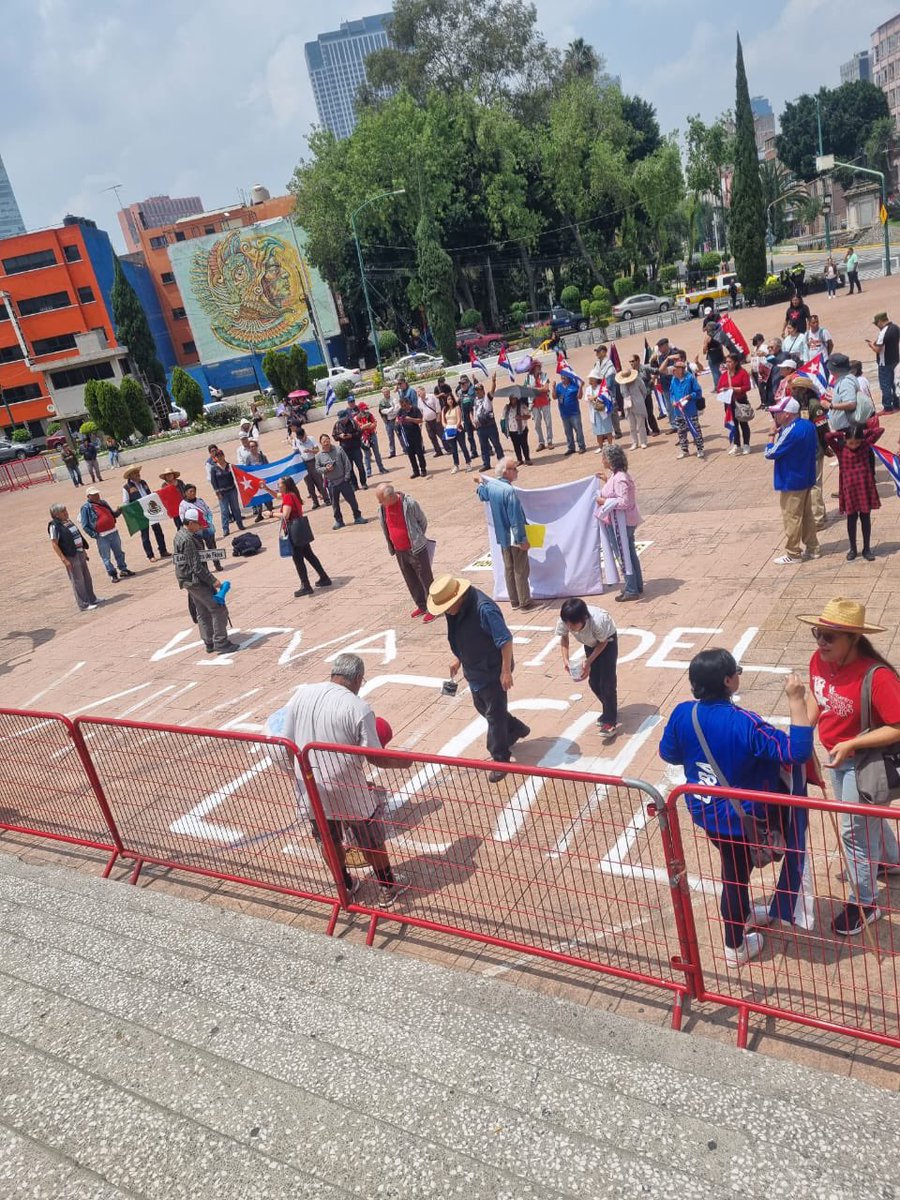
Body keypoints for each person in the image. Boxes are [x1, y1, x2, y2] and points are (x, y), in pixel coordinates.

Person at [660, 650, 814, 964]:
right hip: (742, 820)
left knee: (735, 867)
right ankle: (735, 946)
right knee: (734, 876)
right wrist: (797, 700)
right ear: (729, 680)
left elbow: (669, 754)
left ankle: (742, 914)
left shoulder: (682, 713)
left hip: (706, 812)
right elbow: (797, 751)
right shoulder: (744, 723)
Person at [280, 653, 412, 908]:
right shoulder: (358, 707)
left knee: (328, 839)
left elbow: (286, 742)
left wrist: (295, 774)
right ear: (359, 679)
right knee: (370, 839)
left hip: (310, 784)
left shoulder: (302, 694)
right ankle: (387, 887)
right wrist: (403, 761)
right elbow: (375, 758)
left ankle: (345, 885)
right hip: (347, 787)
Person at [801, 598, 900, 935]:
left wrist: (853, 743)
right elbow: (819, 696)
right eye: (818, 633)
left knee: (854, 832)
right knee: (866, 821)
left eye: (830, 637)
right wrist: (805, 732)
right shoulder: (819, 660)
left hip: (865, 764)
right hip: (839, 757)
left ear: (854, 638)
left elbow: (898, 725)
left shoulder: (877, 676)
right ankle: (890, 860)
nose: (821, 643)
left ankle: (865, 902)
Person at [427, 574, 530, 782]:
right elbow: (460, 635)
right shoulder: (454, 610)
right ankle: (517, 728)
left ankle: (500, 758)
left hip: (493, 670)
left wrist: (506, 672)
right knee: (484, 708)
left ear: (457, 598)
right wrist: (458, 658)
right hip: (474, 670)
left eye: (447, 607)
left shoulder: (484, 609)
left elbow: (505, 640)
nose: (446, 612)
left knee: (494, 715)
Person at [173, 507, 240, 655]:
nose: (200, 526)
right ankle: (221, 642)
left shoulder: (180, 534)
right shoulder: (188, 539)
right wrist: (213, 580)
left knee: (202, 611)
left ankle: (209, 641)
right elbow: (196, 566)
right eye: (198, 524)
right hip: (195, 581)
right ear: (190, 523)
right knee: (218, 608)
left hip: (188, 580)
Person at [765, 396, 820, 565]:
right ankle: (813, 548)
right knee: (807, 515)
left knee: (792, 517)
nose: (775, 417)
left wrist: (771, 435)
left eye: (778, 413)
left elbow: (770, 453)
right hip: (806, 476)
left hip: (791, 480)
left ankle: (793, 553)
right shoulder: (808, 425)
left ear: (787, 414)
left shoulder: (791, 430)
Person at [557, 598, 619, 736]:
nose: (570, 628)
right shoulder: (566, 620)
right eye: (568, 625)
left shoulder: (598, 622)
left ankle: (610, 721)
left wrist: (588, 661)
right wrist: (565, 660)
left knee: (607, 683)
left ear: (584, 618)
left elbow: (603, 643)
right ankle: (610, 709)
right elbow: (564, 638)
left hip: (607, 641)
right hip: (590, 642)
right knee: (594, 682)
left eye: (573, 626)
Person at [475, 457, 531, 610]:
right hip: (514, 536)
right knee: (520, 569)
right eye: (514, 468)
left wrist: (480, 482)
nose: (517, 471)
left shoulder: (492, 486)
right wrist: (522, 539)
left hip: (502, 536)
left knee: (509, 568)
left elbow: (482, 494)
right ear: (506, 472)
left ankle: (514, 601)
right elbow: (516, 519)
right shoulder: (509, 491)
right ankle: (524, 601)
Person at [375, 483, 435, 622]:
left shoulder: (409, 504)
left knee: (425, 579)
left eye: (381, 500)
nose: (379, 503)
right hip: (399, 550)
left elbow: (422, 521)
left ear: (390, 497)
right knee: (411, 580)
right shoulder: (383, 508)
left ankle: (433, 607)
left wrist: (417, 538)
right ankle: (422, 605)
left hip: (415, 548)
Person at [825, 422, 882, 561]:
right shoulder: (840, 449)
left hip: (864, 487)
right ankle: (853, 548)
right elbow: (827, 436)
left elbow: (880, 430)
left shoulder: (865, 445)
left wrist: (863, 433)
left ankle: (867, 548)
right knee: (851, 519)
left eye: (857, 442)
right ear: (846, 440)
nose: (854, 445)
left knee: (865, 518)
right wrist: (842, 433)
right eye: (851, 442)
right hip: (849, 489)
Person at [596, 443, 643, 602]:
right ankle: (636, 585)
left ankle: (631, 588)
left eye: (604, 457)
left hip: (621, 524)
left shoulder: (620, 478)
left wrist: (603, 501)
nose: (602, 460)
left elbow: (625, 501)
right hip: (622, 522)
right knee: (629, 553)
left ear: (610, 460)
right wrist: (606, 480)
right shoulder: (618, 476)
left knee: (624, 555)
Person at [278, 475, 331, 597]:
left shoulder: (288, 497)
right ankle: (324, 577)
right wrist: (265, 488)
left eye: (279, 484)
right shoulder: (292, 494)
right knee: (309, 555)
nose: (278, 486)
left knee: (298, 559)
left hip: (294, 531)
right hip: (301, 530)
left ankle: (305, 585)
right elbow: (277, 496)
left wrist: (271, 513)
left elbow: (285, 515)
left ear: (285, 486)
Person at [48, 502, 98, 611]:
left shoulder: (68, 521)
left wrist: (84, 551)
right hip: (70, 555)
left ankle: (92, 599)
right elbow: (54, 543)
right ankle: (84, 604)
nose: (66, 513)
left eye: (65, 510)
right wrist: (64, 559)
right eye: (63, 511)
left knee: (86, 577)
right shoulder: (54, 525)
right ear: (56, 514)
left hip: (79, 552)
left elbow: (77, 536)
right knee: (77, 580)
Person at [79, 486, 134, 582]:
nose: (97, 496)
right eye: (94, 495)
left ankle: (123, 569)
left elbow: (113, 514)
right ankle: (113, 574)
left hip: (113, 531)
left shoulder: (103, 503)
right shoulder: (86, 508)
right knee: (106, 557)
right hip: (102, 536)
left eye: (97, 494)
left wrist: (119, 511)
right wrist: (95, 535)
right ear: (88, 496)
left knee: (119, 552)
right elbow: (85, 525)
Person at [316, 433, 366, 529]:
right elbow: (317, 468)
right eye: (324, 441)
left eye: (327, 440)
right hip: (331, 483)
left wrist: (347, 477)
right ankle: (339, 521)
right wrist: (325, 469)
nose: (326, 443)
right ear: (321, 443)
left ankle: (357, 517)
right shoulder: (319, 456)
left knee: (352, 500)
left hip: (343, 480)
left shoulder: (339, 450)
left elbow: (347, 463)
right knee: (335, 504)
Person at [122, 465, 170, 561]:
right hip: (140, 514)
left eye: (137, 472)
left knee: (158, 531)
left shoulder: (143, 483)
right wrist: (134, 514)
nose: (138, 474)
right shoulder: (126, 487)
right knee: (145, 535)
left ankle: (163, 550)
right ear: (130, 476)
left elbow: (148, 495)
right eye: (135, 473)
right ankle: (150, 555)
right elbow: (126, 503)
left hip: (150, 509)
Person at [664, 356, 705, 460]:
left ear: (681, 369)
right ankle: (684, 450)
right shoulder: (674, 379)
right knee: (681, 431)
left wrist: (690, 396)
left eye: (676, 369)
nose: (674, 371)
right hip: (678, 411)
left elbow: (698, 392)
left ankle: (700, 449)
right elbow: (672, 392)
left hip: (690, 410)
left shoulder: (690, 378)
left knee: (695, 429)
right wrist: (673, 400)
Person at [179, 482, 221, 572]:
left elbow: (208, 511)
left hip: (207, 528)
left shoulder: (200, 501)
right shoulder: (183, 505)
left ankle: (217, 564)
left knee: (212, 547)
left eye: (194, 491)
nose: (193, 493)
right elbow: (183, 519)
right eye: (190, 491)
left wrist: (208, 522)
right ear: (185, 493)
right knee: (200, 551)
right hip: (195, 531)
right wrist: (195, 526)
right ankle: (205, 570)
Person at [821, 352, 867, 432]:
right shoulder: (845, 379)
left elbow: (851, 404)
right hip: (846, 427)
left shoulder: (845, 382)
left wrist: (830, 405)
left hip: (848, 429)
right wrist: (835, 397)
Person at [718, 352, 753, 456]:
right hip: (729, 404)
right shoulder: (724, 374)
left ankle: (746, 444)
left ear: (736, 363)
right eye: (726, 361)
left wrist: (733, 389)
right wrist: (722, 390)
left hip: (740, 402)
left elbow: (747, 387)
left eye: (730, 362)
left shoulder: (742, 373)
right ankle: (736, 445)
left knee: (743, 423)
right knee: (734, 425)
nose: (727, 364)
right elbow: (718, 387)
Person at [866, 312, 900, 415]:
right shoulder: (895, 327)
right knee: (895, 383)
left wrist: (871, 345)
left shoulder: (883, 332)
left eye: (877, 323)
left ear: (880, 321)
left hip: (884, 362)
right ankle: (897, 404)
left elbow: (878, 349)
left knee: (885, 385)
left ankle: (887, 407)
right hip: (895, 359)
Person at [209, 450, 246, 536]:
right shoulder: (214, 468)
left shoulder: (229, 466)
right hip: (222, 493)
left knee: (236, 508)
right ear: (215, 458)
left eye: (221, 455)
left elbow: (238, 474)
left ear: (224, 455)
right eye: (217, 456)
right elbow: (213, 482)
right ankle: (225, 529)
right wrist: (217, 493)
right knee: (224, 511)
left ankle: (240, 524)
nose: (220, 457)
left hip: (232, 490)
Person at [291, 424, 328, 508]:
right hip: (303, 465)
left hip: (313, 462)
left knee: (319, 481)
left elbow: (317, 450)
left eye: (302, 438)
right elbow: (295, 453)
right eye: (300, 438)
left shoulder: (311, 439)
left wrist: (310, 451)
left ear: (305, 434)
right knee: (309, 485)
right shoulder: (296, 441)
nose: (302, 440)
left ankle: (326, 499)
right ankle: (315, 502)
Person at [589, 345, 622, 438]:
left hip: (609, 392)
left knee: (612, 412)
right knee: (602, 412)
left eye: (598, 352)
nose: (597, 354)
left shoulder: (609, 366)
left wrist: (601, 388)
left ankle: (617, 431)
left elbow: (609, 382)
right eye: (596, 352)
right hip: (599, 391)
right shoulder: (597, 364)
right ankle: (605, 433)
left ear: (604, 352)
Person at [615, 362, 648, 450]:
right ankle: (634, 443)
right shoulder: (622, 384)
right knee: (631, 426)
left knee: (641, 425)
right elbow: (622, 394)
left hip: (638, 404)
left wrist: (639, 400)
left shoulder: (638, 380)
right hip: (628, 406)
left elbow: (644, 392)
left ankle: (643, 442)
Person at [332, 408, 367, 490]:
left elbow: (359, 432)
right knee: (349, 468)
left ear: (347, 416)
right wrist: (339, 436)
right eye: (341, 419)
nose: (343, 421)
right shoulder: (337, 425)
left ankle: (363, 482)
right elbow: (334, 436)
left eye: (344, 419)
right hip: (345, 450)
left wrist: (351, 435)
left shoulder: (353, 422)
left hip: (356, 448)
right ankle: (354, 485)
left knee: (360, 466)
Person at [474, 377, 504, 471]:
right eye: (476, 391)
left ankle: (502, 461)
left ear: (483, 391)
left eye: (479, 390)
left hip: (490, 425)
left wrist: (493, 381)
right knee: (484, 446)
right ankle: (486, 464)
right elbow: (474, 411)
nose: (477, 392)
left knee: (496, 444)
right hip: (480, 427)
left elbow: (492, 390)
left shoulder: (487, 397)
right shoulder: (475, 400)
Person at [396, 391, 428, 479]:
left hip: (416, 435)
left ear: (408, 403)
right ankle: (415, 471)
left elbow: (420, 420)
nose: (404, 408)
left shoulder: (415, 409)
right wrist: (399, 421)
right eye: (402, 406)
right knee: (410, 454)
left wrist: (411, 419)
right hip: (406, 436)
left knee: (419, 453)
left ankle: (423, 469)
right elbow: (397, 419)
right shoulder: (401, 411)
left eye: (405, 406)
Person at [554, 369, 586, 455]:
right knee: (568, 432)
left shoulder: (574, 385)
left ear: (569, 377)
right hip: (564, 413)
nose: (563, 377)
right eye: (562, 376)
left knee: (578, 430)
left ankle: (581, 446)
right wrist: (553, 388)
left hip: (574, 413)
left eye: (564, 376)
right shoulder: (559, 386)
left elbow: (579, 397)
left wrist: (580, 387)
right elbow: (554, 397)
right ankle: (571, 447)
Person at [440, 390, 472, 473]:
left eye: (451, 399)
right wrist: (446, 427)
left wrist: (455, 427)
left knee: (463, 447)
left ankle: (468, 463)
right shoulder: (444, 409)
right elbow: (443, 421)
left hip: (458, 430)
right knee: (454, 449)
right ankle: (456, 465)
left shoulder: (457, 407)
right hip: (449, 430)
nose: (450, 401)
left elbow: (459, 419)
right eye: (448, 399)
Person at [244, 438, 275, 522]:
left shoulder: (262, 456)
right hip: (254, 481)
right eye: (251, 447)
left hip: (264, 480)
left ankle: (270, 511)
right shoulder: (248, 458)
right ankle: (259, 514)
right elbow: (247, 470)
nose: (252, 448)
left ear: (257, 447)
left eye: (254, 446)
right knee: (258, 498)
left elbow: (267, 467)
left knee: (267, 495)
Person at [355, 401, 388, 477]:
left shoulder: (370, 415)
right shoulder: (357, 417)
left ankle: (381, 468)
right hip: (364, 437)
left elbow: (374, 424)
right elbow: (361, 427)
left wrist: (367, 426)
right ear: (360, 409)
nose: (365, 410)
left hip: (372, 434)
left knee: (377, 453)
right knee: (367, 455)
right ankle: (368, 471)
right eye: (363, 408)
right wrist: (368, 425)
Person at [585, 370, 614, 451]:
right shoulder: (588, 389)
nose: (590, 380)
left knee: (607, 429)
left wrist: (593, 397)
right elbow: (587, 399)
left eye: (592, 378)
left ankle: (610, 445)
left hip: (603, 411)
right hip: (594, 412)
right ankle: (600, 446)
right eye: (590, 379)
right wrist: (594, 397)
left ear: (596, 379)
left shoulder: (602, 388)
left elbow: (604, 396)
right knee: (598, 431)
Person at [528, 361, 553, 450]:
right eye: (537, 366)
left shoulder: (544, 375)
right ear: (533, 368)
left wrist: (534, 389)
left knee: (548, 422)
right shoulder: (528, 378)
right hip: (534, 403)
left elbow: (546, 388)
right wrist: (540, 389)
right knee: (537, 424)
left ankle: (549, 441)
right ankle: (541, 442)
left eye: (539, 366)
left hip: (544, 401)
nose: (539, 368)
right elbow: (527, 390)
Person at [503, 391, 532, 465]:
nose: (513, 400)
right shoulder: (507, 407)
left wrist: (521, 417)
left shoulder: (522, 406)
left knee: (524, 444)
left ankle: (527, 459)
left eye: (514, 398)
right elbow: (504, 417)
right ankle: (519, 459)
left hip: (522, 429)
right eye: (511, 398)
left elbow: (529, 416)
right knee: (516, 446)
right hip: (512, 430)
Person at [417, 386, 445, 459]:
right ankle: (438, 451)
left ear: (423, 391)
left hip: (435, 419)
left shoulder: (432, 397)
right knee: (432, 437)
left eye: (419, 392)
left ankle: (449, 448)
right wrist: (422, 421)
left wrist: (438, 418)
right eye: (417, 392)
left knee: (441, 434)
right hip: (427, 422)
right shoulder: (419, 401)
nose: (418, 394)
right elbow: (421, 411)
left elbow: (438, 407)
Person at [454, 374, 478, 460]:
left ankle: (489, 449)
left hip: (475, 414)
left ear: (468, 383)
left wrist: (475, 380)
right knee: (470, 436)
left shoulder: (472, 390)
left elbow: (478, 388)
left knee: (480, 432)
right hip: (466, 417)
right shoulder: (460, 392)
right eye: (461, 384)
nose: (462, 385)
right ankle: (474, 451)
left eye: (463, 383)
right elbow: (458, 404)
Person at [699, 319, 726, 389]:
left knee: (714, 371)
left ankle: (717, 386)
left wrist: (704, 352)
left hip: (712, 354)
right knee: (718, 370)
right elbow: (721, 345)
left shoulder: (708, 336)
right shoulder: (718, 334)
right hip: (719, 353)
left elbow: (705, 347)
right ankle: (722, 383)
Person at [378, 386, 400, 458]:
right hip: (387, 422)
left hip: (395, 419)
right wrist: (391, 409)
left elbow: (397, 409)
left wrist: (390, 411)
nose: (386, 394)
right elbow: (383, 411)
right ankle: (392, 452)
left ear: (389, 392)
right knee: (390, 438)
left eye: (387, 392)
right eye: (384, 393)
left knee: (400, 435)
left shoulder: (394, 399)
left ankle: (405, 449)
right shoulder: (381, 402)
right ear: (383, 394)